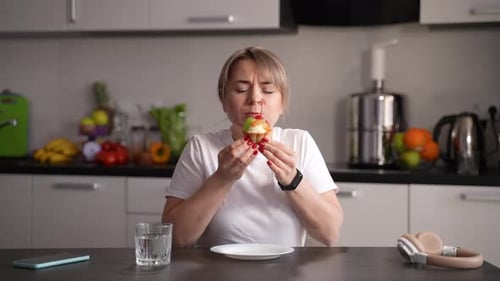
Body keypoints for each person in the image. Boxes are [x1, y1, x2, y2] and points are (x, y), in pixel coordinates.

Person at [162, 46, 343, 247]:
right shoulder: (202, 147)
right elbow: (175, 238)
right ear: (224, 100)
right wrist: (222, 178)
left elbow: (330, 233)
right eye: (241, 89)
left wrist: (292, 179)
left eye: (268, 90)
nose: (255, 98)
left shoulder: (300, 143)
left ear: (282, 102)